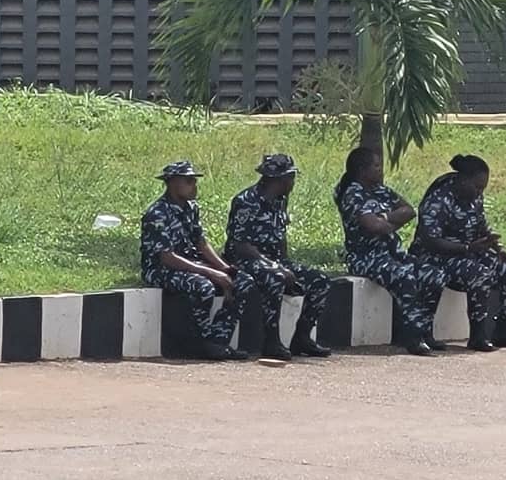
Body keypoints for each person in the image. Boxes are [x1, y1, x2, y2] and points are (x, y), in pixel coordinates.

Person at [410, 154, 506, 351]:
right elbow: (430, 240)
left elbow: (479, 225)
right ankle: (478, 336)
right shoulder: (439, 199)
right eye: (477, 187)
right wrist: (467, 249)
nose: (479, 192)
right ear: (463, 180)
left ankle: (503, 331)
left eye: (482, 188)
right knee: (480, 274)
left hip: (467, 251)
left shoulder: (473, 196)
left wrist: (495, 247)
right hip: (436, 256)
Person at [334, 147, 447, 357]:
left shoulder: (382, 190)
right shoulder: (352, 193)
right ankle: (412, 337)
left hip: (393, 254)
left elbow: (409, 211)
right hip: (366, 257)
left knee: (434, 274)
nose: (380, 170)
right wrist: (389, 220)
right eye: (376, 166)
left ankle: (424, 331)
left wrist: (384, 218)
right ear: (362, 169)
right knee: (404, 276)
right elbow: (373, 227)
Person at [140, 161, 253, 360]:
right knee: (203, 286)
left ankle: (218, 341)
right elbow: (167, 258)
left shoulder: (191, 208)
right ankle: (199, 342)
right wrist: (211, 273)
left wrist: (225, 269)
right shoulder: (156, 214)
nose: (194, 185)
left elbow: (201, 243)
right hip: (161, 269)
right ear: (173, 184)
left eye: (194, 180)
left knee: (243, 281)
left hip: (190, 264)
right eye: (189, 181)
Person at [224, 154, 332, 361]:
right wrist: (275, 267)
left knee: (320, 281)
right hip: (245, 260)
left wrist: (285, 263)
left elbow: (280, 236)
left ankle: (302, 337)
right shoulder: (246, 201)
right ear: (279, 179)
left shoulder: (280, 200)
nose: (293, 182)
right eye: (291, 177)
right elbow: (241, 244)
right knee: (275, 278)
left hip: (273, 260)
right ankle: (271, 340)